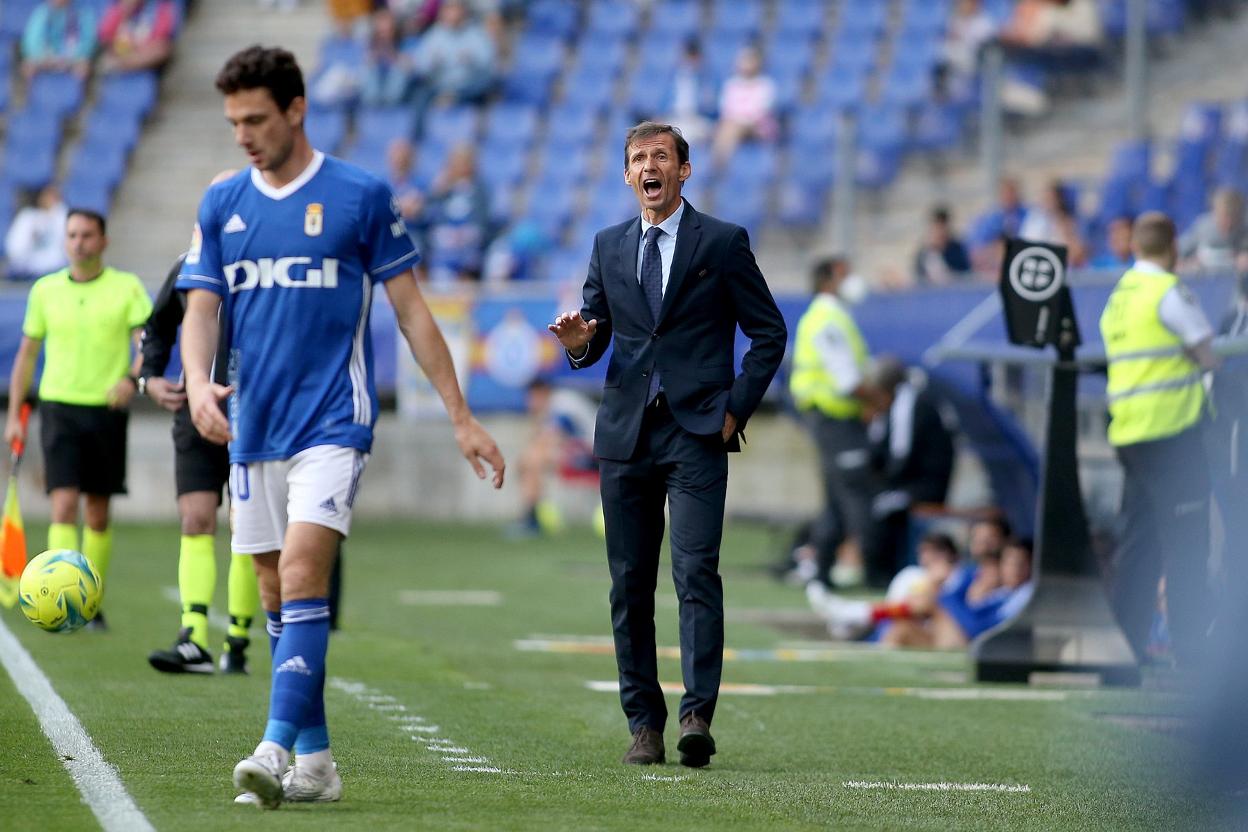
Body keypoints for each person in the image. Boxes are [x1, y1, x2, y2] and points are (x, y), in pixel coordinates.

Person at [176, 46, 504, 808]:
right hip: (251, 425)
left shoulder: (359, 196)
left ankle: (273, 746)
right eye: (233, 122)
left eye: (256, 118)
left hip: (333, 418)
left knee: (299, 576)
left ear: (296, 110)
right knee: (273, 592)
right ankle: (319, 764)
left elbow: (413, 312)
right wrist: (196, 386)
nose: (244, 135)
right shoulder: (221, 202)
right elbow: (202, 307)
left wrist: (461, 417)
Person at [548, 121, 787, 768]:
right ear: (627, 176)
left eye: (660, 156)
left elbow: (769, 333)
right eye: (637, 159)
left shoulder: (724, 241)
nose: (648, 166)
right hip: (626, 434)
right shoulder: (608, 245)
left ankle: (696, 714)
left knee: (694, 573)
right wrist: (577, 345)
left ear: (683, 170)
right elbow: (595, 335)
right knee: (628, 584)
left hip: (697, 432)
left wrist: (736, 409)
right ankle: (643, 724)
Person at [4, 209, 152, 631]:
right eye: (72, 234)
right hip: (58, 408)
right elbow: (27, 355)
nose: (79, 242)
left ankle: (91, 601)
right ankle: (54, 598)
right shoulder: (45, 290)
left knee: (99, 512)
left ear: (103, 241)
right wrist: (14, 414)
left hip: (105, 409)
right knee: (63, 504)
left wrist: (131, 377)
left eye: (87, 234)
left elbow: (148, 344)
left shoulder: (127, 288)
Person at [140, 175, 261, 674]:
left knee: (246, 527)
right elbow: (157, 327)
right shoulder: (187, 267)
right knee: (196, 519)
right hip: (198, 410)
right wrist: (150, 378)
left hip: (256, 412)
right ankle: (192, 636)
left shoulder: (265, 267)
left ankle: (237, 639)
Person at [1099, 211, 1218, 667]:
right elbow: (1207, 352)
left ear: (1133, 247)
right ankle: (1193, 656)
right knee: (1187, 542)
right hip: (1171, 433)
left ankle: (1124, 654)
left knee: (1139, 545)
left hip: (1129, 433)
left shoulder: (1120, 296)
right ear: (1172, 249)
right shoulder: (1167, 291)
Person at [789, 256, 879, 590]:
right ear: (828, 280)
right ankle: (871, 568)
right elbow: (846, 379)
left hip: (833, 418)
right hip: (836, 419)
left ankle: (822, 569)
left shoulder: (826, 316)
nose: (852, 280)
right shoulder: (828, 318)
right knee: (857, 492)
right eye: (845, 273)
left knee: (836, 497)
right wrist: (877, 401)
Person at [860, 359, 956, 587]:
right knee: (875, 503)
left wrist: (883, 483)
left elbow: (901, 454)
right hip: (911, 483)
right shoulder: (899, 405)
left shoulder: (909, 404)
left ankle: (882, 577)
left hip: (924, 487)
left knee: (879, 507)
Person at [511, 378, 600, 537]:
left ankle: (531, 519)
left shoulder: (561, 403)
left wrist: (528, 458)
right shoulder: (555, 405)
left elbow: (552, 438)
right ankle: (532, 515)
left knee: (533, 460)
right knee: (531, 459)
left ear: (542, 393)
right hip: (585, 451)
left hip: (598, 456)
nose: (530, 403)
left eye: (532, 397)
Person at [409, 0, 496, 112]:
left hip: (468, 89)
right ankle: (418, 129)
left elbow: (489, 66)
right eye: (449, 9)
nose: (452, 13)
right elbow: (420, 67)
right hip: (439, 87)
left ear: (464, 12)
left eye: (455, 9)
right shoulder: (434, 35)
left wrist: (472, 60)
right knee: (420, 95)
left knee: (483, 93)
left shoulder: (477, 34)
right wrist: (432, 63)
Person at [423, 143, 491, 284]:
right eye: (455, 162)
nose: (459, 167)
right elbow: (431, 216)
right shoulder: (442, 191)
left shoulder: (480, 191)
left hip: (468, 244)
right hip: (444, 244)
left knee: (469, 260)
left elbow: (482, 222)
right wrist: (437, 192)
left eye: (464, 162)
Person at [712, 45, 777, 167]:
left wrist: (741, 119)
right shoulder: (732, 84)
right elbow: (726, 109)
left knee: (730, 128)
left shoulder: (765, 85)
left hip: (757, 126)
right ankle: (721, 164)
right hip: (734, 124)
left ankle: (719, 166)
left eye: (749, 61)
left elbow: (761, 112)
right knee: (727, 127)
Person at [4, 184, 68, 281]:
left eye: (54, 196)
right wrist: (31, 237)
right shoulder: (27, 216)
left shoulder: (62, 216)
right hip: (26, 271)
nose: (49, 200)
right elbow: (13, 248)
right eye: (46, 196)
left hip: (55, 269)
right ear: (40, 197)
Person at [21, 0, 97, 81]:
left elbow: (88, 39)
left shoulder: (83, 11)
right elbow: (32, 39)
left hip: (72, 57)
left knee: (83, 68)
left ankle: (77, 92)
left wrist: (74, 57)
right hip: (46, 57)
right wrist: (41, 56)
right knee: (28, 67)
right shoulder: (42, 11)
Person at [97, 0, 179, 74]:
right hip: (120, 49)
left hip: (145, 50)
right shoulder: (119, 8)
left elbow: (162, 37)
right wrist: (125, 11)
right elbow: (105, 34)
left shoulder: (160, 7)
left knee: (163, 49)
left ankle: (122, 64)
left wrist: (139, 48)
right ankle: (122, 63)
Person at [1019, 179, 1088, 266]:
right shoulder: (1033, 221)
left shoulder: (1067, 222)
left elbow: (1077, 253)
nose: (1047, 201)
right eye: (1045, 197)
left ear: (1058, 200)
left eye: (1050, 198)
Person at [1179, 187, 1248, 272]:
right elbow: (1179, 250)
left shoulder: (1245, 229)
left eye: (1232, 219)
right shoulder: (1203, 227)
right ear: (1215, 213)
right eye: (1222, 218)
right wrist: (1187, 263)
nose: (1227, 225)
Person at [913, 205, 973, 285]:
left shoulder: (957, 250)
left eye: (943, 226)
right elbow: (919, 278)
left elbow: (965, 274)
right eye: (937, 227)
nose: (940, 231)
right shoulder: (924, 253)